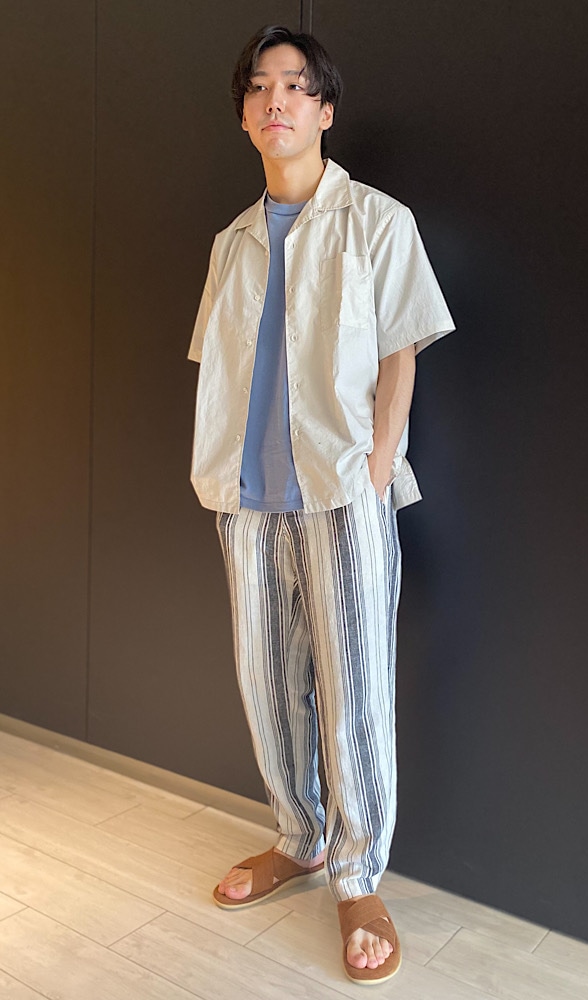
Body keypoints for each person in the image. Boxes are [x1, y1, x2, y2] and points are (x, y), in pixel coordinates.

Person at [188, 24, 454, 985]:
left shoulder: (378, 220)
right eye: (260, 87)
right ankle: (299, 839)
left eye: (297, 86)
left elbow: (401, 352)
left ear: (325, 110)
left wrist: (377, 466)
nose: (277, 101)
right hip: (249, 499)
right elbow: (221, 368)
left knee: (355, 692)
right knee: (267, 682)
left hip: (344, 493)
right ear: (244, 115)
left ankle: (358, 874)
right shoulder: (232, 243)